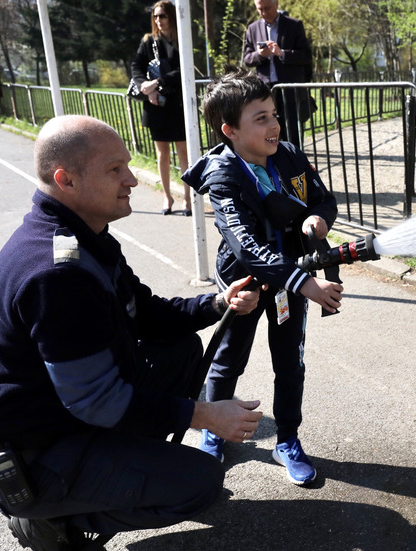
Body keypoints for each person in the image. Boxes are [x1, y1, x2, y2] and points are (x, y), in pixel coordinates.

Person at [0, 114, 264, 551]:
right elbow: (97, 400)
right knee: (201, 482)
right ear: (66, 180)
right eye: (114, 169)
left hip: (64, 413)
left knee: (180, 350)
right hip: (35, 454)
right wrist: (204, 415)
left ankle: (124, 466)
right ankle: (52, 524)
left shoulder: (86, 240)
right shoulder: (56, 273)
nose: (132, 179)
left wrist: (216, 303)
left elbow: (147, 314)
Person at [181, 68, 341, 486]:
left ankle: (286, 439)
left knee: (291, 362)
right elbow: (247, 248)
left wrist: (316, 221)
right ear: (229, 130)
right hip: (245, 285)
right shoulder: (223, 177)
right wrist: (308, 284)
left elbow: (324, 199)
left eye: (273, 114)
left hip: (291, 282)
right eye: (261, 118)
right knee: (228, 357)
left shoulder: (288, 154)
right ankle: (214, 431)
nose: (274, 125)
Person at [131, 1, 192, 216]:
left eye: (163, 15)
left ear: (172, 16)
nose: (158, 20)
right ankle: (166, 196)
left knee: (184, 153)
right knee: (162, 153)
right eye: (156, 16)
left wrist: (158, 83)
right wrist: (146, 88)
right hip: (155, 104)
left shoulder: (182, 39)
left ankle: (187, 198)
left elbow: (183, 70)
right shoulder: (149, 42)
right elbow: (136, 66)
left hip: (177, 103)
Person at [242, 0, 314, 148]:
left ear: (277, 4)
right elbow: (247, 59)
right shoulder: (253, 28)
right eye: (259, 9)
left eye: (267, 8)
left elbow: (306, 56)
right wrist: (260, 55)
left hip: (290, 91)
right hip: (266, 91)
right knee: (268, 133)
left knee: (292, 133)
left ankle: (295, 164)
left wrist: (282, 54)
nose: (263, 13)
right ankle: (274, 165)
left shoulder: (294, 25)